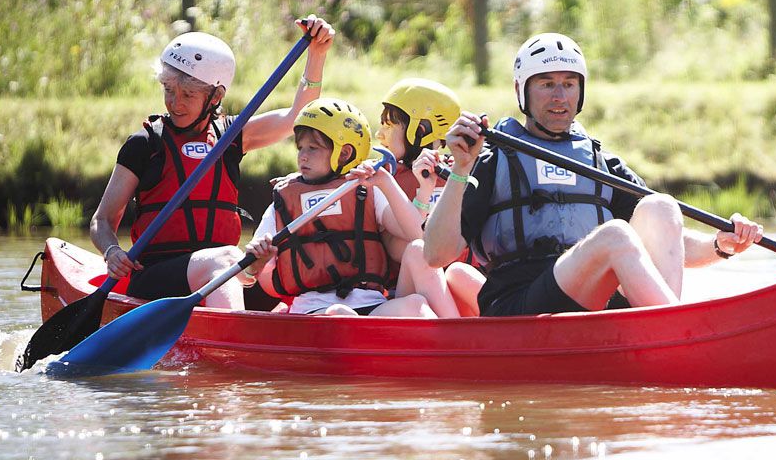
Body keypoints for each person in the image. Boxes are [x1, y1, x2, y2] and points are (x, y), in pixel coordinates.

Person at [421, 32, 764, 317]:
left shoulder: (597, 161)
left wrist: (720, 245)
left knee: (661, 206)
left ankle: (661, 331)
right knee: (615, 234)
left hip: (592, 301)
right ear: (520, 91)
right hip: (520, 303)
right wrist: (461, 169)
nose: (559, 96)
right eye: (546, 84)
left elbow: (666, 240)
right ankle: (677, 331)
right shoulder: (492, 157)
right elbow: (436, 254)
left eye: (569, 84)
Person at [90, 16, 334, 309]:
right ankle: (237, 340)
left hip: (222, 272)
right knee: (228, 259)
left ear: (216, 96)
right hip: (156, 278)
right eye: (169, 89)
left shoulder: (231, 136)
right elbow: (102, 220)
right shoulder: (145, 144)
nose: (175, 103)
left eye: (188, 94)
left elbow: (298, 116)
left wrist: (317, 53)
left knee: (268, 269)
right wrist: (111, 251)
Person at [240, 99, 445, 317]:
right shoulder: (282, 202)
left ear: (345, 153)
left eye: (313, 148)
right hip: (313, 313)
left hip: (372, 308)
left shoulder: (366, 190)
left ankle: (453, 345)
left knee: (415, 304)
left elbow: (415, 234)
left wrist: (386, 182)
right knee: (339, 313)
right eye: (300, 148)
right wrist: (255, 265)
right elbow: (245, 277)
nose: (303, 156)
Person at [374, 77, 485, 316]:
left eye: (389, 125)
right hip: (411, 295)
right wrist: (424, 191)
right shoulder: (385, 180)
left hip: (453, 294)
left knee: (460, 273)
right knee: (419, 250)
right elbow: (397, 249)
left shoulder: (465, 173)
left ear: (420, 129)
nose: (379, 134)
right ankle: (457, 340)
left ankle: (511, 337)